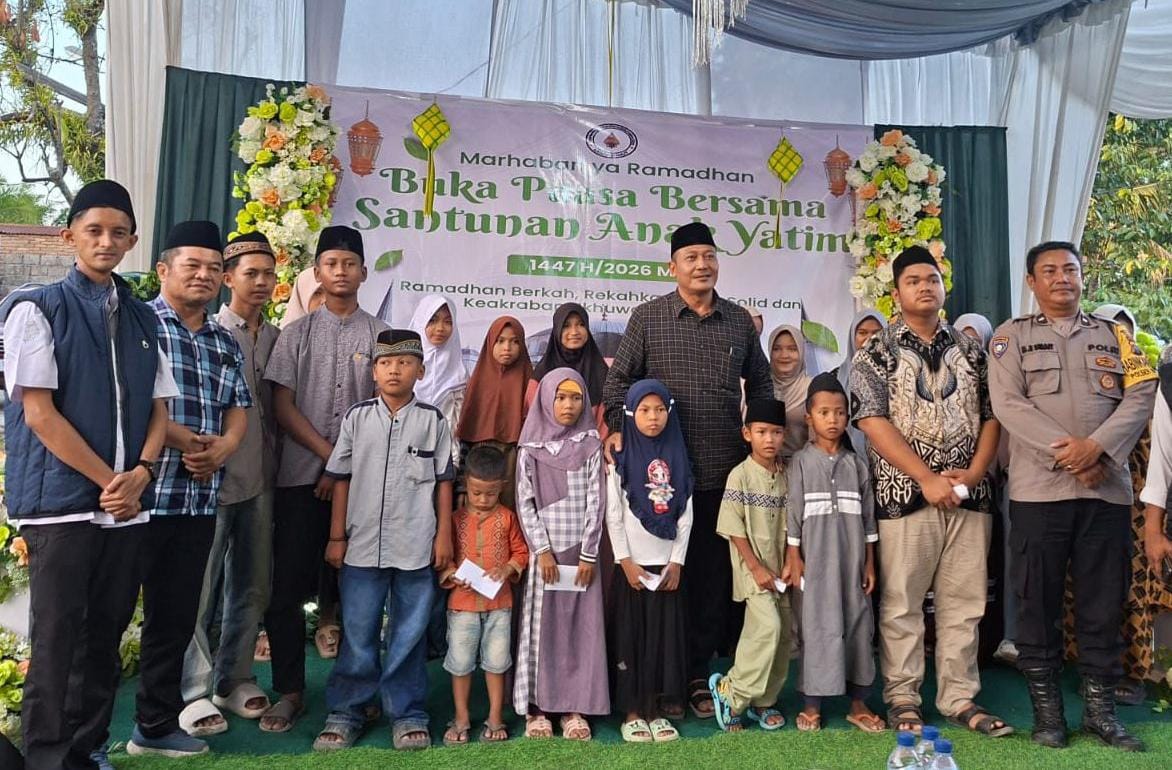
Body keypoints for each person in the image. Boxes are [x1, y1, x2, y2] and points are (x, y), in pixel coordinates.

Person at [1, 180, 176, 770]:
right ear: (68, 235)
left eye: (118, 232)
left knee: (105, 634)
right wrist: (112, 480)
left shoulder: (143, 318)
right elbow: (39, 414)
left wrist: (142, 472)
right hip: (62, 504)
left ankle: (87, 752)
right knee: (57, 639)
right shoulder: (36, 308)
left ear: (132, 241)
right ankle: (47, 759)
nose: (106, 241)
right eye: (94, 230)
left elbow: (159, 408)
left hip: (125, 504)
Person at [989, 241, 1155, 751]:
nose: (1062, 277)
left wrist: (1098, 449)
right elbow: (1008, 405)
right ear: (1032, 282)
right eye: (1050, 271)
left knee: (1103, 603)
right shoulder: (1011, 337)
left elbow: (1141, 393)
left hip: (1105, 492)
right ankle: (1049, 716)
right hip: (1040, 493)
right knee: (1036, 603)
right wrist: (1073, 455)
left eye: (1071, 269)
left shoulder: (1115, 335)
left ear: (1083, 276)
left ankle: (1101, 715)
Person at [603, 221, 772, 718]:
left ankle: (701, 673)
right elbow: (616, 387)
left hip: (722, 472)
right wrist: (620, 428)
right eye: (691, 257)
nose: (702, 265)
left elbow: (762, 386)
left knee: (710, 578)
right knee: (666, 576)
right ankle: (664, 677)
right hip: (661, 476)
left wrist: (763, 440)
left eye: (709, 256)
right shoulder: (649, 318)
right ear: (672, 267)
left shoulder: (737, 322)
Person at [850, 245, 1008, 739]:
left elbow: (993, 416)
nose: (925, 287)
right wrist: (926, 477)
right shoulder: (876, 351)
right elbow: (870, 420)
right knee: (903, 604)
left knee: (965, 603)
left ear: (944, 287)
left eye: (932, 279)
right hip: (905, 497)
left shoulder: (972, 351)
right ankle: (903, 697)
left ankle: (959, 697)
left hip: (970, 497)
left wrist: (974, 475)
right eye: (913, 280)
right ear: (896, 293)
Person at [130, 220, 252, 758]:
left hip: (199, 498)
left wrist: (225, 447)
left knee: (175, 616)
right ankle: (79, 739)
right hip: (140, 496)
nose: (203, 275)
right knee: (109, 615)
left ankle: (154, 727)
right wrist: (189, 443)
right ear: (163, 269)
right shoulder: (138, 325)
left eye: (212, 268)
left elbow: (239, 406)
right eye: (192, 265)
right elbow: (130, 402)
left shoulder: (224, 339)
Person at [260, 225, 388, 732]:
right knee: (287, 589)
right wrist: (329, 457)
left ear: (364, 272)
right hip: (299, 479)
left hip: (362, 484)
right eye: (331, 264)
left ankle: (357, 691)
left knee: (360, 592)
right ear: (316, 272)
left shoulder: (381, 335)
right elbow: (281, 405)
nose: (340, 272)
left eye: (349, 264)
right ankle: (290, 690)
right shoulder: (296, 334)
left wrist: (343, 467)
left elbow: (385, 409)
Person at [313, 329, 455, 751]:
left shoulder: (433, 420)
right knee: (358, 632)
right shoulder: (357, 418)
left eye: (405, 362)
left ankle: (407, 712)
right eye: (386, 363)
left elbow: (444, 483)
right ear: (374, 371)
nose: (395, 370)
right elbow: (340, 478)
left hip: (416, 543)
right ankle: (347, 711)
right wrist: (335, 537)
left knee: (409, 634)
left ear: (420, 371)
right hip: (360, 545)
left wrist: (444, 537)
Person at [179, 232, 280, 734]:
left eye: (268, 274)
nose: (260, 282)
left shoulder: (279, 336)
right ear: (227, 279)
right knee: (198, 590)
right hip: (208, 479)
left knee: (252, 585)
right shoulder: (211, 331)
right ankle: (193, 692)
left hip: (261, 479)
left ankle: (234, 678)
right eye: (250, 273)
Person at [783, 373, 883, 733]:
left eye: (840, 413)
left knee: (858, 623)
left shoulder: (857, 465)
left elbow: (868, 518)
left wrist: (869, 562)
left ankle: (859, 702)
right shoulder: (800, 463)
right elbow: (793, 515)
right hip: (815, 563)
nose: (833, 420)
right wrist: (794, 557)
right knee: (816, 625)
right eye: (824, 412)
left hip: (852, 561)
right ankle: (813, 703)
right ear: (809, 417)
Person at [514, 369, 609, 740]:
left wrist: (588, 554)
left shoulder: (590, 445)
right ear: (545, 400)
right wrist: (541, 550)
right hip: (546, 559)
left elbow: (597, 501)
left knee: (578, 630)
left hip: (581, 558)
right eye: (560, 397)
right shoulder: (530, 449)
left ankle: (574, 706)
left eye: (576, 397)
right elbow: (525, 502)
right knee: (543, 630)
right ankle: (538, 708)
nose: (568, 405)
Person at [606, 379, 693, 744]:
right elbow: (613, 515)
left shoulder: (678, 456)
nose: (653, 417)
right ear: (630, 413)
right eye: (644, 410)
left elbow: (686, 512)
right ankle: (631, 712)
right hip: (632, 570)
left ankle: (655, 710)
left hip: (666, 569)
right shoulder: (620, 460)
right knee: (632, 639)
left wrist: (677, 562)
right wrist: (625, 561)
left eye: (659, 409)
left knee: (661, 640)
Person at [437, 445, 529, 746]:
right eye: (476, 492)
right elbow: (443, 559)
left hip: (499, 605)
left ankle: (495, 716)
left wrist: (507, 569)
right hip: (462, 605)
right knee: (460, 662)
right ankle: (461, 716)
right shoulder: (454, 520)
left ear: (502, 486)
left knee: (497, 662)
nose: (482, 499)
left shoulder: (508, 518)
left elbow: (521, 553)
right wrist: (452, 574)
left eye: (490, 493)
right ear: (466, 483)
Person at [709, 398, 790, 732]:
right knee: (768, 627)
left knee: (782, 635)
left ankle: (764, 701)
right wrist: (756, 567)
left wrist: (791, 562)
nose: (769, 439)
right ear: (747, 434)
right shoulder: (740, 475)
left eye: (776, 432)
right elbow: (732, 527)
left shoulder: (786, 475)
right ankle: (732, 692)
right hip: (751, 569)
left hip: (782, 570)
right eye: (761, 432)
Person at [456, 316, 533, 511]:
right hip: (478, 458)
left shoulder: (529, 382)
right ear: (490, 343)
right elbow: (466, 436)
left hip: (513, 458)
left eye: (515, 342)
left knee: (508, 515)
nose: (507, 348)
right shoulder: (478, 382)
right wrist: (462, 486)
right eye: (500, 341)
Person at [528, 302, 609, 435]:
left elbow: (605, 422)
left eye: (581, 324)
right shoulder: (542, 374)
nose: (574, 332)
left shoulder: (601, 372)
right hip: (548, 445)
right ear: (557, 330)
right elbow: (535, 420)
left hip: (591, 445)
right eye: (566, 326)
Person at [408, 294, 468, 471]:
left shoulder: (459, 374)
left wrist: (452, 465)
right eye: (432, 320)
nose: (440, 328)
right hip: (404, 460)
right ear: (421, 321)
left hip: (442, 463)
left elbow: (456, 429)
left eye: (448, 322)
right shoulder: (404, 368)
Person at [834, 310, 886, 456]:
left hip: (890, 458)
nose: (869, 339)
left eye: (876, 333)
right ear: (852, 336)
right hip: (847, 458)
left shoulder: (899, 375)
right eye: (862, 333)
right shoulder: (835, 377)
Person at [767, 324, 814, 459]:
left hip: (802, 464)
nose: (784, 355)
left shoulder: (811, 388)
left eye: (792, 349)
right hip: (765, 465)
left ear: (801, 351)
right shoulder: (760, 386)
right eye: (777, 349)